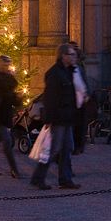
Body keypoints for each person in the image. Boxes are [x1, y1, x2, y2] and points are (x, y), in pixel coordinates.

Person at [30, 43, 81, 190]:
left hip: (67, 118)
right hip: (58, 118)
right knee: (53, 149)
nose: (74, 57)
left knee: (67, 147)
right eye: (71, 54)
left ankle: (65, 179)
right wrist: (49, 120)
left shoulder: (70, 71)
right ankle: (38, 178)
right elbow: (50, 99)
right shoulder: (54, 73)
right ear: (63, 56)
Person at [68, 41, 90, 155]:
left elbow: (84, 80)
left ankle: (79, 146)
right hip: (72, 102)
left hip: (80, 100)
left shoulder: (79, 66)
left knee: (80, 124)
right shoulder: (65, 69)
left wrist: (87, 93)